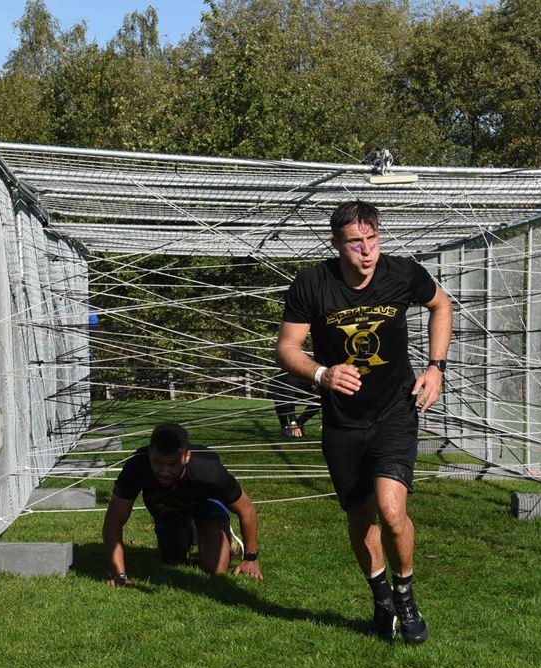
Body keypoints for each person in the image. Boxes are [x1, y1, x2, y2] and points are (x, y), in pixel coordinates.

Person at [275, 200, 452, 644]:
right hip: (342, 422)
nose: (367, 251)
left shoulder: (402, 273)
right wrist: (323, 373)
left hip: (396, 409)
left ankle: (405, 594)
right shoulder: (312, 284)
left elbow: (441, 305)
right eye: (355, 242)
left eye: (372, 239)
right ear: (336, 243)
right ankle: (381, 600)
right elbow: (287, 348)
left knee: (391, 512)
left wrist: (436, 368)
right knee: (360, 516)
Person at [102, 422, 262, 585]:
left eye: (173, 464)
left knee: (215, 568)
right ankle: (192, 531)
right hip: (168, 505)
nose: (165, 472)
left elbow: (247, 509)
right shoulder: (136, 467)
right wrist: (119, 575)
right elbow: (113, 522)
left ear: (187, 457)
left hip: (206, 501)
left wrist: (250, 558)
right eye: (158, 462)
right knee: (173, 559)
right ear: (150, 454)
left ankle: (224, 535)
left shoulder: (209, 470)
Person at [270, 371, 320, 437]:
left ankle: (299, 423)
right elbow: (289, 400)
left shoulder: (316, 377)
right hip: (279, 385)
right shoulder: (293, 377)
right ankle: (285, 426)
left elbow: (322, 396)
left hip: (300, 387)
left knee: (318, 402)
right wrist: (293, 422)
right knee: (281, 404)